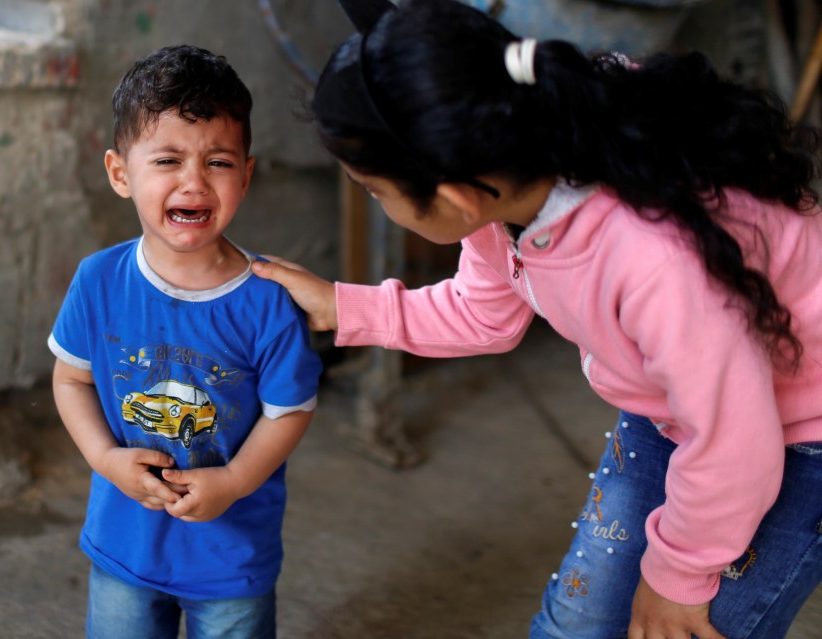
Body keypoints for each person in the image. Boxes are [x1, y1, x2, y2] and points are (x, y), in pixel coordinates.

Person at [250, 0, 822, 637]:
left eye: (376, 191)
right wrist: (342, 306)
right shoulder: (519, 165)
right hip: (684, 406)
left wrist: (680, 577)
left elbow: (733, 440)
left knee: (682, 625)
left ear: (455, 197)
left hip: (798, 432)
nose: (377, 204)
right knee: (575, 623)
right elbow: (483, 312)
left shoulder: (653, 259)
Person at [48, 44, 322, 639]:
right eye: (168, 160)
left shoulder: (270, 298)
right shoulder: (98, 280)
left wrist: (234, 481)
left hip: (230, 558)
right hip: (126, 545)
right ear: (122, 174)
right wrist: (104, 459)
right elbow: (71, 379)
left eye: (218, 162)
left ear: (246, 175)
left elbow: (289, 412)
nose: (194, 182)